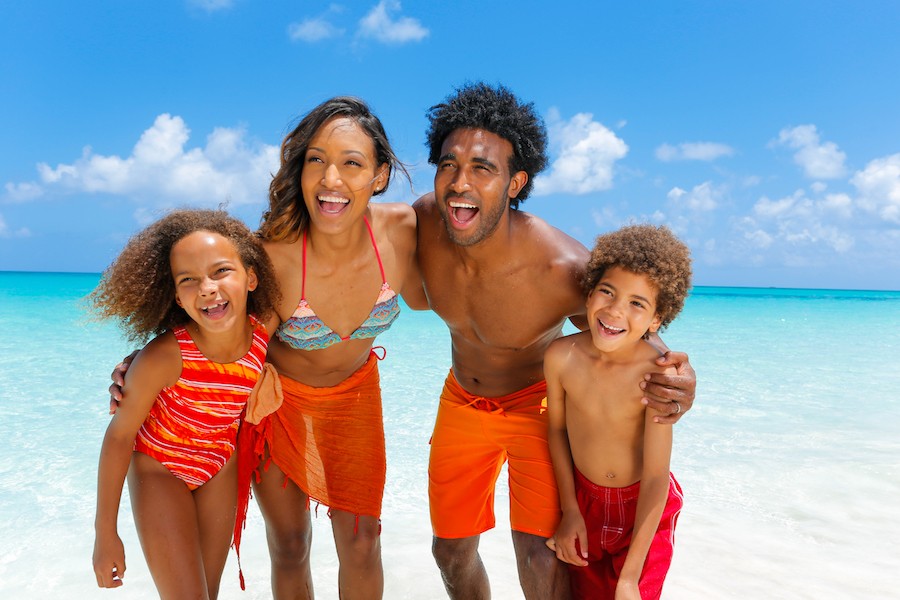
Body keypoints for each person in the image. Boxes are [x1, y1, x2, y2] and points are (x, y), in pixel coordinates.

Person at [110, 97, 418, 600]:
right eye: (316, 159)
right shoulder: (273, 252)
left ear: (380, 175)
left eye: (352, 163)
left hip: (356, 400)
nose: (330, 179)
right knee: (291, 543)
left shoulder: (404, 229)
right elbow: (216, 316)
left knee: (362, 545)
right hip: (274, 404)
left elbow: (461, 283)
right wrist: (144, 364)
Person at [404, 82, 697, 599]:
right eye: (448, 164)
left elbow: (628, 327)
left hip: (536, 406)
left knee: (540, 555)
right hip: (461, 400)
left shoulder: (563, 268)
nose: (459, 183)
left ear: (516, 182)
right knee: (448, 551)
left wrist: (681, 380)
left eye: (482, 168)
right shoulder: (426, 222)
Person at [90, 209, 280, 599]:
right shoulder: (165, 355)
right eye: (188, 280)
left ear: (252, 277)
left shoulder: (264, 330)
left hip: (218, 467)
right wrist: (105, 533)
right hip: (160, 469)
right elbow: (119, 437)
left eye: (221, 270)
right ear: (177, 296)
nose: (207, 288)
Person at [544, 224, 691, 599]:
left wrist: (629, 578)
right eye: (607, 292)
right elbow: (557, 432)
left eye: (637, 304)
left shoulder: (657, 373)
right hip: (585, 502)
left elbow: (657, 478)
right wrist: (570, 511)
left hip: (643, 512)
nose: (614, 310)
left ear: (656, 320)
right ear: (590, 293)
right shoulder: (561, 357)